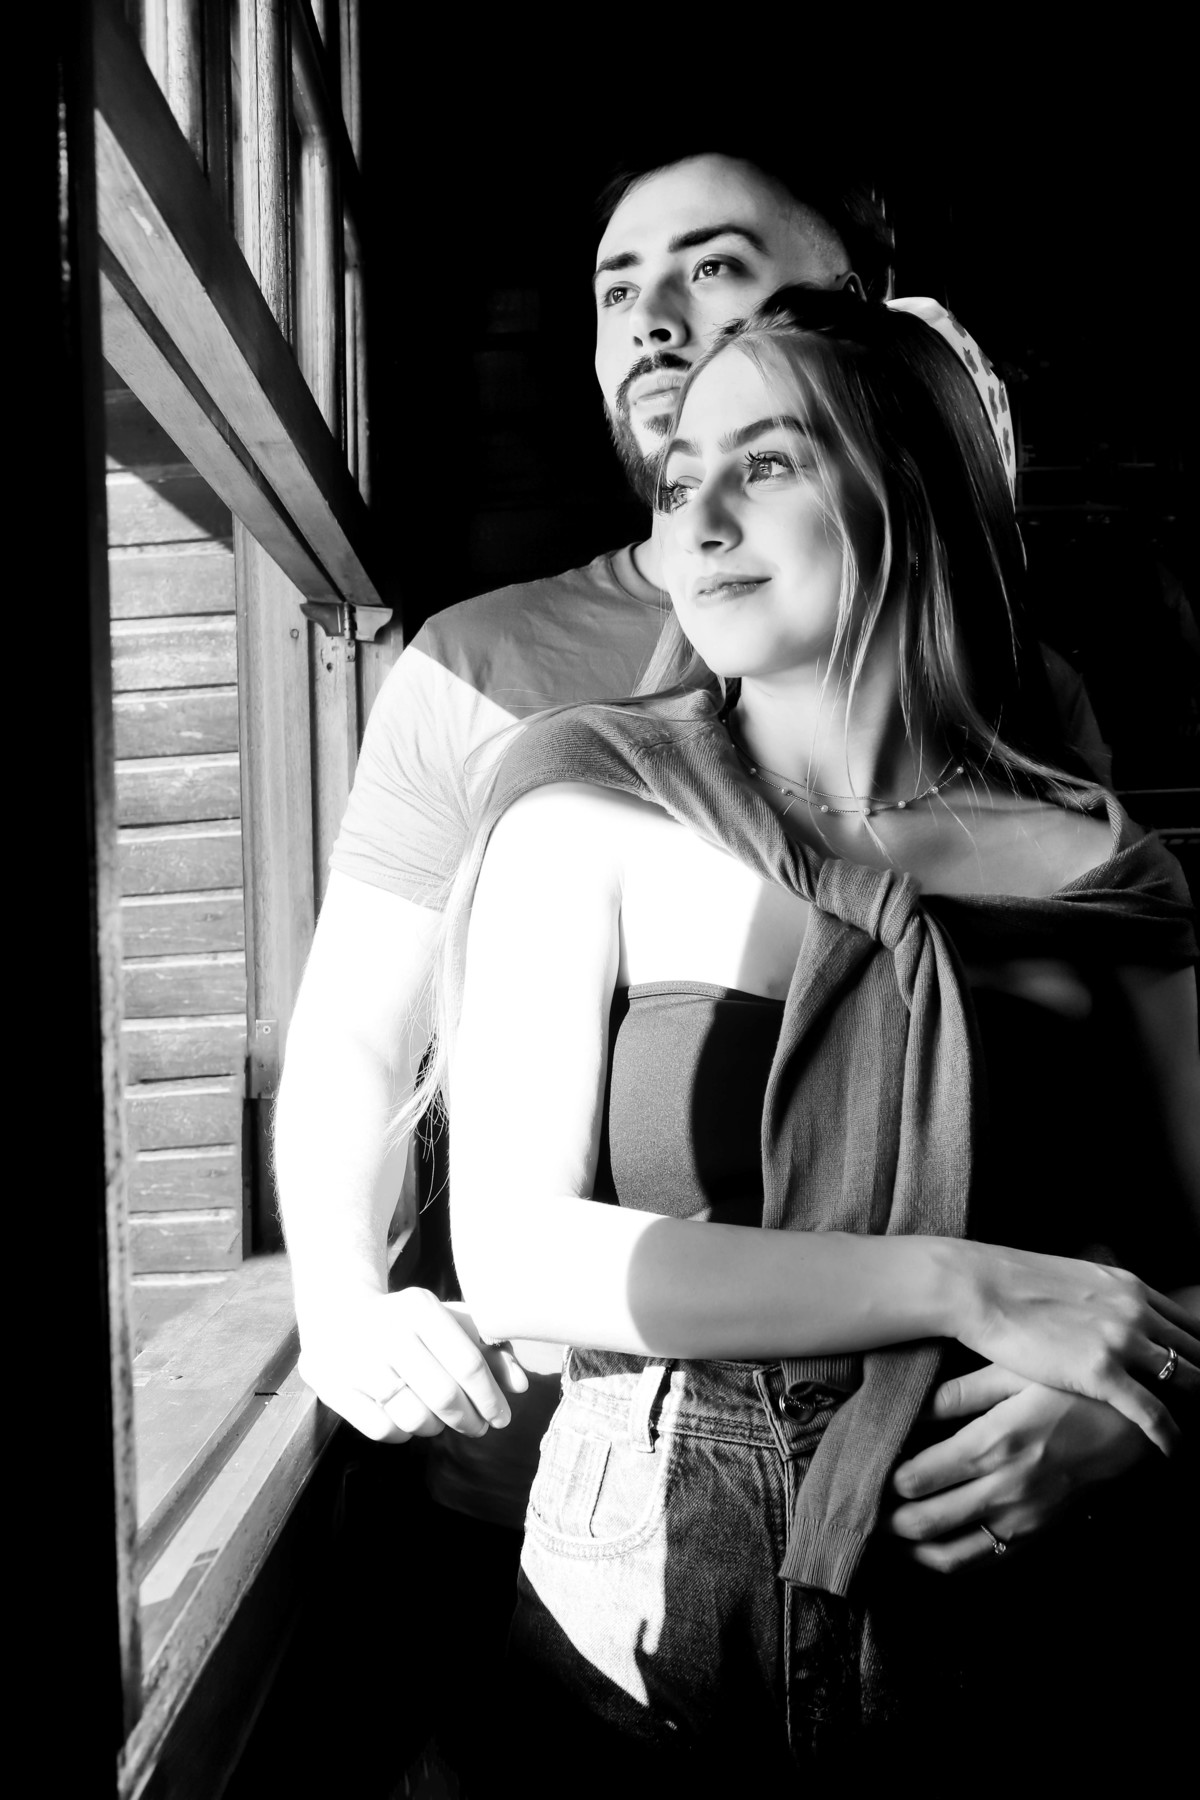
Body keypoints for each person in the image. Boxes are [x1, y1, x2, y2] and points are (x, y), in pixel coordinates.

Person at [277, 150, 1129, 1587]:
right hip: (571, 1497)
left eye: (714, 266)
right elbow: (363, 1033)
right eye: (618, 291)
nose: (655, 320)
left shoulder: (1012, 690)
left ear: (852, 312)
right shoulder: (484, 671)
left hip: (963, 1508)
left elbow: (1096, 1104)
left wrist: (1122, 1380)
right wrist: (342, 1299)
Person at [438, 289, 1199, 1784]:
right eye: (680, 482)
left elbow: (1189, 1253)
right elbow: (518, 1255)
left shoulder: (1101, 871)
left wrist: (1142, 1397)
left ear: (912, 487)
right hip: (640, 1625)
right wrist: (969, 1283)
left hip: (1031, 1619)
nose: (700, 521)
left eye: (769, 462)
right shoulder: (590, 812)